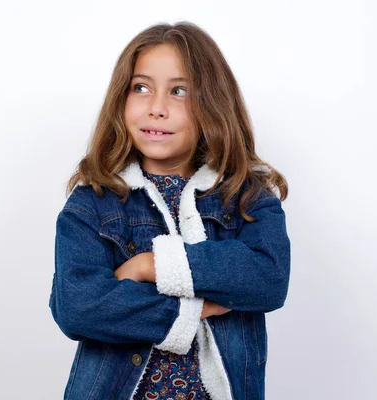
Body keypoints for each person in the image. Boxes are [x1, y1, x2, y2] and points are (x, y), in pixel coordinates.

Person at [49, 21, 291, 400]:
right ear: (121, 99)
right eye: (141, 88)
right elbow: (78, 306)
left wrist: (149, 266)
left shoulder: (246, 195)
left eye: (179, 91)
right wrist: (192, 311)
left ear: (212, 103)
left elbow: (269, 278)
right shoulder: (93, 201)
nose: (157, 108)